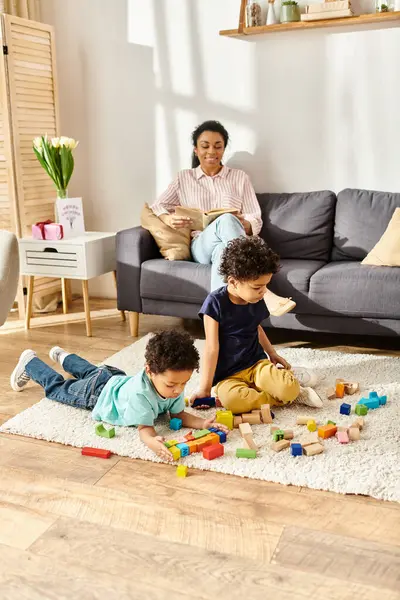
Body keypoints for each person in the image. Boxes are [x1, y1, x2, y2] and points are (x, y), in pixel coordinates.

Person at [10, 330, 229, 461]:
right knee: (59, 389)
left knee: (90, 371)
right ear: (149, 371)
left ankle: (62, 356)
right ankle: (31, 363)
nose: (179, 390)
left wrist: (203, 424)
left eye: (184, 383)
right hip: (96, 393)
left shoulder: (172, 385)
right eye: (173, 384)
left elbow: (179, 414)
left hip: (112, 376)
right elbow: (145, 430)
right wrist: (153, 443)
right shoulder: (141, 396)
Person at [150, 119, 295, 317]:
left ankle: (220, 323)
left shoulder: (239, 177)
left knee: (223, 250)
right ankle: (263, 290)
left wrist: (246, 224)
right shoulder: (183, 178)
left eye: (218, 146)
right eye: (205, 146)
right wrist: (167, 219)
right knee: (225, 221)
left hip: (227, 243)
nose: (212, 151)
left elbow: (255, 217)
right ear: (196, 150)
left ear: (224, 149)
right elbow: (157, 205)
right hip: (201, 245)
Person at [190, 237, 322, 414]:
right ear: (233, 282)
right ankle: (286, 394)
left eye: (266, 286)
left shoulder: (256, 298)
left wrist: (272, 353)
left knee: (287, 389)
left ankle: (291, 389)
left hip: (256, 364)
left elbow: (256, 328)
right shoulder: (215, 303)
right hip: (228, 375)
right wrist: (204, 389)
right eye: (257, 287)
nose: (263, 292)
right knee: (233, 402)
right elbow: (211, 349)